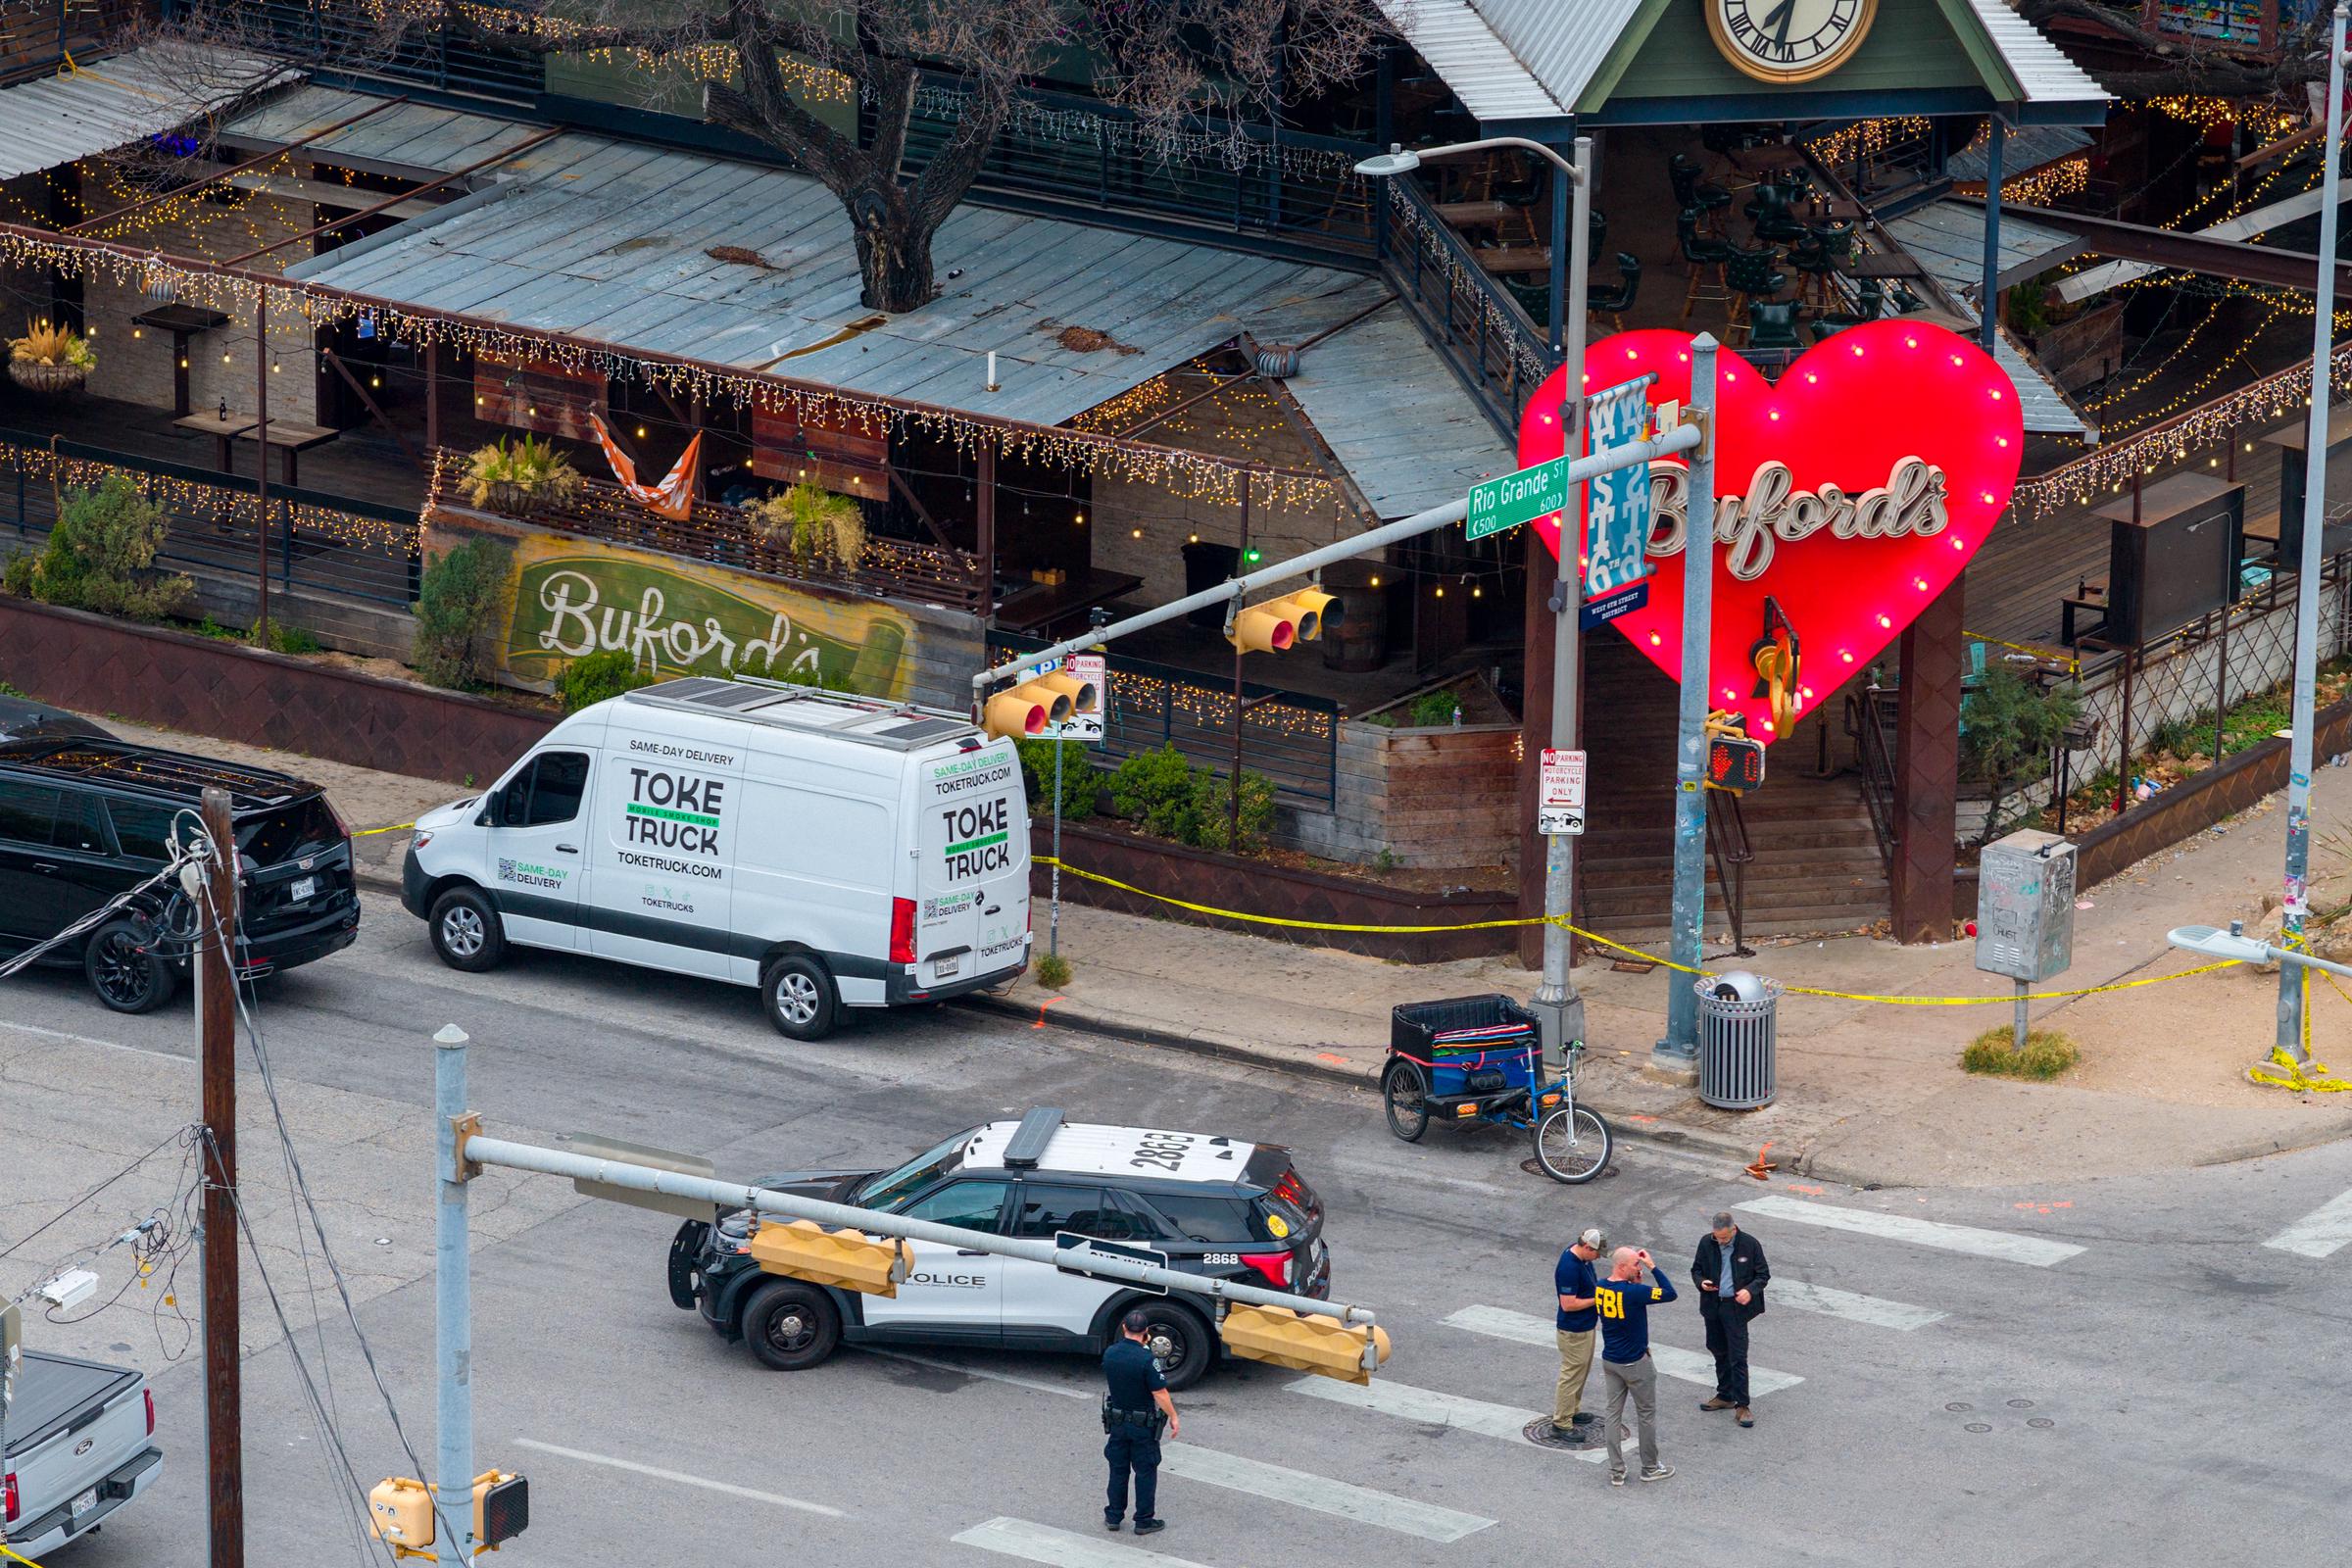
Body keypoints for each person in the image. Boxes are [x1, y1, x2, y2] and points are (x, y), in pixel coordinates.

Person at [1592, 1246, 1678, 1486]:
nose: (1638, 1267)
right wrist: (1652, 1266)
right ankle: (1650, 1467)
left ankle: (1616, 1470)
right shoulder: (1634, 1293)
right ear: (1621, 1266)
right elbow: (1670, 1293)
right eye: (1635, 1264)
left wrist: (1636, 1279)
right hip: (1636, 1363)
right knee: (1646, 1415)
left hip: (1611, 1360)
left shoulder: (1600, 1286)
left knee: (1612, 1414)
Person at [1100, 1308, 1178, 1535]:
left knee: (1118, 1469)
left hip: (1117, 1422)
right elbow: (1160, 1393)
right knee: (1145, 1471)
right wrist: (1173, 1417)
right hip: (1142, 1426)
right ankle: (1143, 1520)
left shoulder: (1110, 1353)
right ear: (1145, 1332)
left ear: (1124, 1327)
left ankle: (1113, 1516)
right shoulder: (1147, 1359)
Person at [1691, 1210, 1770, 1429]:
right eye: (1718, 1238)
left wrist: (1749, 1291)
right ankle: (1725, 1394)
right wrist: (1702, 1282)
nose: (1721, 1241)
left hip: (1736, 1308)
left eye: (1725, 1238)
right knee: (1717, 1349)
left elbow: (1763, 1275)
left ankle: (1742, 1405)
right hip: (1713, 1305)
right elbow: (1696, 1269)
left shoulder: (1749, 1244)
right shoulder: (1707, 1243)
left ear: (1733, 1229)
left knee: (1737, 1355)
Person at [1550, 1226, 1607, 1442]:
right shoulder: (1569, 1267)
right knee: (1571, 1376)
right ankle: (1561, 1423)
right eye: (1596, 1253)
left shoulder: (1582, 1258)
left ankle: (1572, 1410)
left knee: (1580, 1373)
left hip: (1585, 1327)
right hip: (1573, 1331)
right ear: (1585, 1246)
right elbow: (1568, 1304)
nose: (1598, 1257)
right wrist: (1599, 1299)